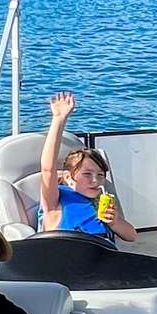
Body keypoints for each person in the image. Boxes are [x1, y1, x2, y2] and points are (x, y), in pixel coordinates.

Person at [39, 91, 138, 244]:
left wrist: (114, 222)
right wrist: (59, 119)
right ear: (67, 177)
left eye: (100, 175)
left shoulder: (101, 200)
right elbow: (48, 169)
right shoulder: (56, 201)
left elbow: (131, 236)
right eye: (87, 174)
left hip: (102, 257)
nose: (95, 180)